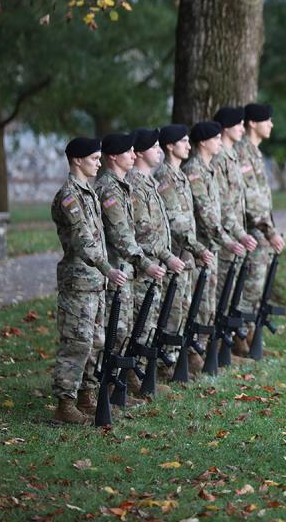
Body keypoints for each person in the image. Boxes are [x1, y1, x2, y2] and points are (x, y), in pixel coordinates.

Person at [51, 137, 127, 424]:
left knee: (96, 339)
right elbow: (83, 241)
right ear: (77, 160)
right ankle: (65, 404)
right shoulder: (69, 195)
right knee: (77, 341)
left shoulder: (90, 193)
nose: (99, 162)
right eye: (94, 158)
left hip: (95, 281)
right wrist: (108, 268)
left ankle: (86, 395)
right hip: (78, 281)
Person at [95, 132, 166, 394]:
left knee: (125, 330)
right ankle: (108, 388)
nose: (134, 155)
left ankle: (121, 382)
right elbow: (122, 236)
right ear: (113, 155)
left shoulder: (121, 186)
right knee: (114, 332)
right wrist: (145, 263)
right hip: (115, 270)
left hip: (124, 270)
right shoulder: (109, 188)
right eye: (129, 151)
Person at [154, 124, 215, 372]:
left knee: (184, 308)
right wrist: (198, 247)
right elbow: (176, 222)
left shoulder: (179, 175)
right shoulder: (165, 178)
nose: (189, 146)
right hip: (176, 255)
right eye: (184, 141)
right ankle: (164, 365)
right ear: (170, 146)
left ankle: (180, 359)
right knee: (172, 310)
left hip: (186, 255)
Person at [128, 129, 185, 381]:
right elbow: (144, 231)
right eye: (154, 147)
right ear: (140, 152)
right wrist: (167, 256)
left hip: (156, 265)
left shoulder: (149, 182)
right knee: (139, 324)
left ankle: (139, 375)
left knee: (150, 322)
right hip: (144, 266)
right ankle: (131, 376)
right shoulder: (134, 185)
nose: (159, 150)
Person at [182, 121, 243, 330]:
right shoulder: (194, 170)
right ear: (202, 142)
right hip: (201, 246)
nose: (219, 142)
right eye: (215, 138)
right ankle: (195, 352)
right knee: (201, 302)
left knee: (210, 300)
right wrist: (227, 241)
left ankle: (207, 348)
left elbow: (223, 207)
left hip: (211, 246)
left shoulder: (209, 169)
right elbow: (205, 213)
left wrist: (235, 235)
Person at [234, 103, 285, 349]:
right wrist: (269, 231)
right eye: (267, 120)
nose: (271, 124)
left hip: (262, 232)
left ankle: (249, 332)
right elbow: (251, 201)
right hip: (254, 232)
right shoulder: (243, 152)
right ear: (252, 123)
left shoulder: (254, 152)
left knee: (258, 286)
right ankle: (239, 335)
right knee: (250, 287)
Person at [211, 106, 255, 354]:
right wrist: (237, 234)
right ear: (227, 128)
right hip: (226, 236)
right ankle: (217, 348)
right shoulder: (219, 159)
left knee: (230, 293)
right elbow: (222, 205)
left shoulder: (232, 155)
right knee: (220, 296)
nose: (242, 128)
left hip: (235, 233)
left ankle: (228, 346)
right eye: (238, 124)